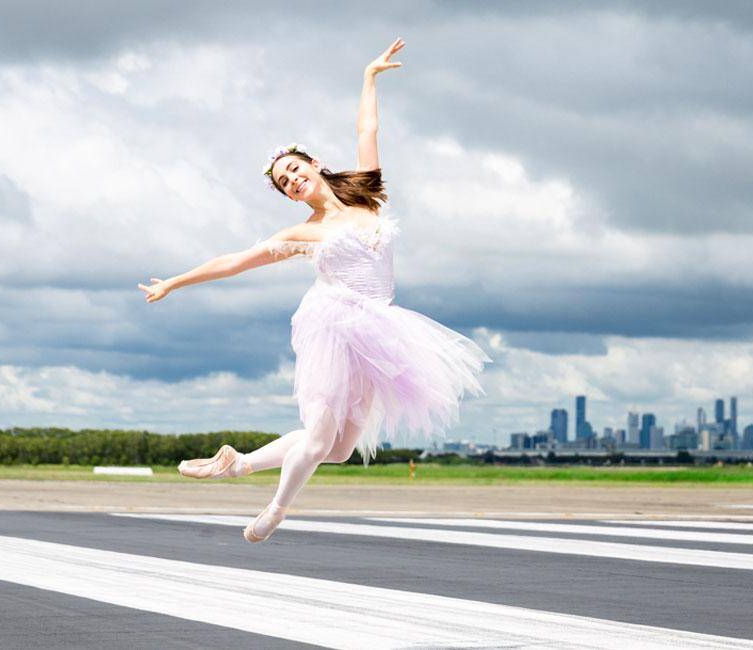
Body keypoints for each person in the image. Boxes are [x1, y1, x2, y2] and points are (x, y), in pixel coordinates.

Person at [138, 38, 490, 543]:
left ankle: (237, 465)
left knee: (342, 449)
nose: (293, 180)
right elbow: (236, 261)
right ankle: (276, 510)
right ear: (287, 196)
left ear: (315, 163)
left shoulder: (366, 193)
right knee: (321, 435)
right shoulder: (301, 234)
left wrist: (369, 77)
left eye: (295, 170)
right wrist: (175, 281)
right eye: (284, 182)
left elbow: (367, 129)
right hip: (332, 327)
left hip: (380, 330)